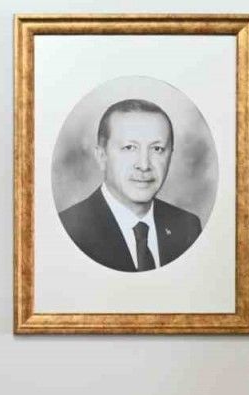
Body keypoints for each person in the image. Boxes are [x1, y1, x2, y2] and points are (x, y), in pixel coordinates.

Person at [57, 98, 202, 272]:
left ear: (170, 155)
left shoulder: (188, 227)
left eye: (157, 149)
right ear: (102, 156)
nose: (144, 165)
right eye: (129, 148)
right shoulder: (69, 230)